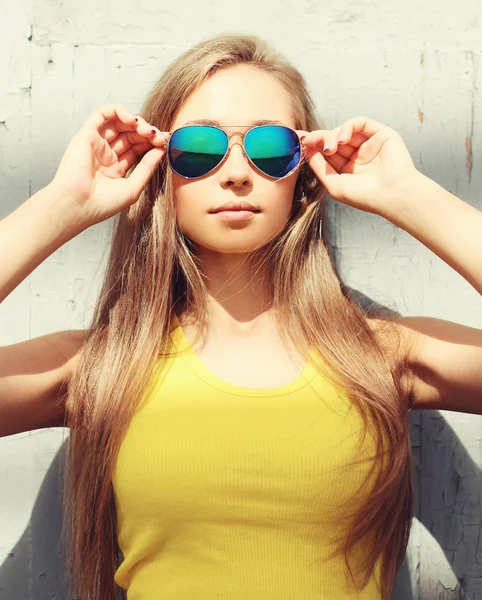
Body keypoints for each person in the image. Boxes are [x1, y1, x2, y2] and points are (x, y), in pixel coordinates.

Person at [1, 32, 482, 600]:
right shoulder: (102, 366)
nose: (235, 172)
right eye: (199, 148)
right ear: (160, 170)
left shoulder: (379, 356)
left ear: (302, 174)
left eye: (270, 148)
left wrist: (410, 195)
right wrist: (64, 203)